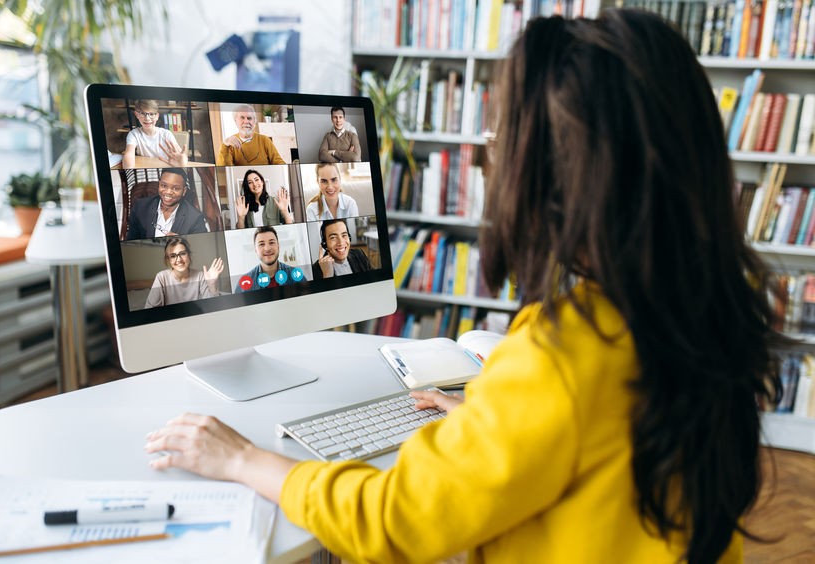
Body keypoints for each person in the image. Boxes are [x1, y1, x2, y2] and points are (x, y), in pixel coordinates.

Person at [145, 11, 782, 563]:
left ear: (563, 176)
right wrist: (497, 424)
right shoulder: (694, 314)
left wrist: (243, 461)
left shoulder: (566, 354)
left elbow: (396, 519)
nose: (491, 158)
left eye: (504, 141)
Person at [126, 168, 208, 240]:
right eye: (164, 186)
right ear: (159, 185)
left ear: (184, 191)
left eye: (176, 188)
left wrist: (182, 242)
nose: (168, 192)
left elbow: (201, 248)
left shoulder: (195, 218)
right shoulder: (140, 207)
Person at [144, 237, 224, 308]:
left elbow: (213, 306)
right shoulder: (161, 277)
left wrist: (212, 285)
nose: (179, 260)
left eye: (182, 253)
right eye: (173, 256)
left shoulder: (200, 276)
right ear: (168, 260)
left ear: (189, 255)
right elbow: (150, 309)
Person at [121, 99, 188, 169]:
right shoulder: (133, 134)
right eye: (143, 113)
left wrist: (182, 162)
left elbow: (180, 156)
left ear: (157, 116)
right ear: (137, 115)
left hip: (165, 169)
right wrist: (129, 169)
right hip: (146, 170)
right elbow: (129, 154)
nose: (147, 118)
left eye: (152, 114)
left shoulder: (166, 134)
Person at [233, 226, 300, 293]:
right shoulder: (243, 284)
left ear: (278, 246)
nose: (267, 248)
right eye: (261, 244)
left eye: (271, 242)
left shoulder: (296, 275)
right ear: (256, 249)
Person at [216, 104, 285, 166]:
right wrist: (225, 145)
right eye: (242, 118)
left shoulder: (265, 140)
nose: (246, 121)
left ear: (254, 121)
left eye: (249, 118)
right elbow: (224, 169)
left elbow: (279, 162)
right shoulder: (230, 144)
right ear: (235, 121)